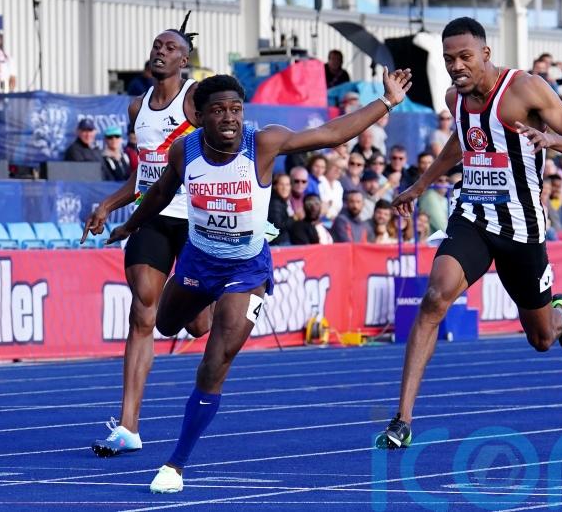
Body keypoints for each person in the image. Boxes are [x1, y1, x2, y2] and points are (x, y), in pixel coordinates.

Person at [106, 68, 412, 492]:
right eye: (219, 111)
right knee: (163, 324)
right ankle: (207, 310)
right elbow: (159, 194)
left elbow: (330, 133)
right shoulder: (184, 151)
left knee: (214, 365)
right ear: (199, 115)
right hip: (197, 263)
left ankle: (175, 464)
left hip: (246, 271)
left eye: (236, 109)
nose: (230, 118)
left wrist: (387, 102)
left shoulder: (262, 143)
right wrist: (129, 226)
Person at [376, 17, 562, 450]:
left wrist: (550, 139)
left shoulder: (525, 89)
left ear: (485, 55)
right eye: (448, 59)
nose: (456, 66)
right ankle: (401, 419)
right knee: (434, 298)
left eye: (464, 57)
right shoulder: (453, 98)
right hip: (473, 215)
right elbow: (461, 143)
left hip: (522, 226)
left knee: (540, 338)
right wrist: (420, 186)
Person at [81, 14, 212, 457]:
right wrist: (107, 206)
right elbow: (142, 178)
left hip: (195, 220)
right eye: (157, 44)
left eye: (170, 47)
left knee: (196, 324)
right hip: (152, 216)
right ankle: (129, 427)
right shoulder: (137, 108)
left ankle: (207, 296)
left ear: (185, 59)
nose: (160, 50)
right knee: (143, 311)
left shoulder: (195, 99)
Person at [267, 173, 293, 246]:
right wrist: (295, 218)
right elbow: (278, 226)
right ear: (275, 186)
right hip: (278, 244)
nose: (285, 188)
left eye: (287, 184)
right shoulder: (274, 203)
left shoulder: (283, 201)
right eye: (281, 184)